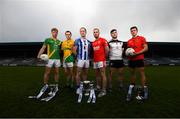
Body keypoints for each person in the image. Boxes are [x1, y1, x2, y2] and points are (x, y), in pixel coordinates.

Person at [126, 26, 148, 101]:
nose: (133, 32)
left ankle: (143, 89)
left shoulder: (142, 38)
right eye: (131, 31)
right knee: (132, 74)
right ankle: (132, 87)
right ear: (130, 32)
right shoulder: (129, 41)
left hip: (139, 58)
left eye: (134, 30)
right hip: (131, 60)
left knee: (142, 74)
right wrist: (128, 53)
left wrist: (137, 53)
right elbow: (129, 50)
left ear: (137, 31)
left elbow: (146, 48)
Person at [37, 28, 61, 93]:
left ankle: (56, 85)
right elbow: (43, 48)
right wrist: (39, 55)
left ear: (57, 33)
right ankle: (45, 85)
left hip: (57, 59)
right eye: (53, 32)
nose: (54, 33)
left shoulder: (59, 41)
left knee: (57, 72)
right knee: (47, 72)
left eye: (56, 32)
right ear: (51, 33)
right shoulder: (47, 40)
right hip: (49, 59)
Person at [73, 27, 92, 94]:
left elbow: (89, 51)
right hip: (80, 59)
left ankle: (84, 86)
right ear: (80, 32)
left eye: (83, 31)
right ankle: (78, 87)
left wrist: (89, 58)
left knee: (85, 74)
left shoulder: (89, 42)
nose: (82, 32)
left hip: (87, 60)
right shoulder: (77, 40)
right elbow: (74, 50)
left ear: (85, 32)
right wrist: (77, 58)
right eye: (81, 31)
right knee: (78, 73)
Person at [92, 28, 109, 97]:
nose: (95, 33)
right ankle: (98, 87)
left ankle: (104, 90)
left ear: (99, 33)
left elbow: (107, 49)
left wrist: (104, 59)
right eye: (94, 32)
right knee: (97, 75)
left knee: (103, 74)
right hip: (95, 60)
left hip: (101, 60)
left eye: (96, 32)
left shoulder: (103, 40)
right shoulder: (93, 43)